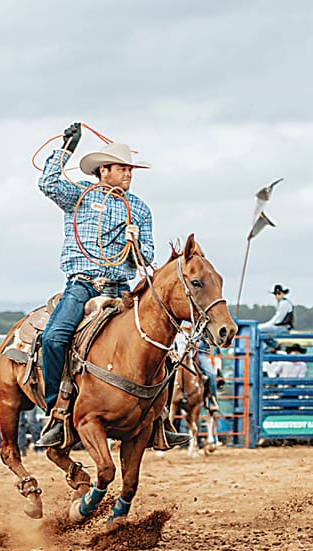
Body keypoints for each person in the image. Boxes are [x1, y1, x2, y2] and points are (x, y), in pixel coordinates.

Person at [36, 122, 189, 448]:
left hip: (121, 288)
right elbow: (47, 183)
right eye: (122, 168)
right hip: (83, 285)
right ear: (103, 170)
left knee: (164, 348)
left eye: (130, 169)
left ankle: (161, 418)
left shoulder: (140, 209)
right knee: (54, 337)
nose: (129, 174)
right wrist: (66, 149)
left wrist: (135, 244)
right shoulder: (78, 196)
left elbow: (148, 258)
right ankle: (57, 410)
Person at [174, 321, 222, 415]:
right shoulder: (177, 320)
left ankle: (212, 399)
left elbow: (208, 339)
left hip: (197, 354)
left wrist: (200, 344)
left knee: (212, 374)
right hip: (178, 353)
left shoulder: (199, 320)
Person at [258, 284, 295, 349]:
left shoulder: (284, 303)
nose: (277, 295)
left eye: (279, 293)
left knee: (258, 330)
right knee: (259, 331)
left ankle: (273, 346)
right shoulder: (282, 303)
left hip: (283, 328)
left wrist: (265, 325)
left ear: (283, 293)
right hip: (279, 327)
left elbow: (277, 319)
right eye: (275, 294)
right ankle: (270, 346)